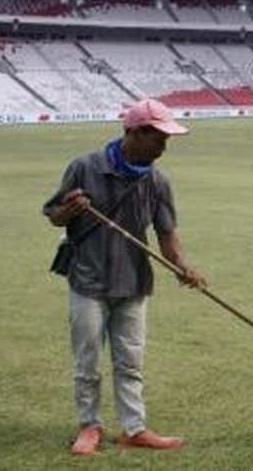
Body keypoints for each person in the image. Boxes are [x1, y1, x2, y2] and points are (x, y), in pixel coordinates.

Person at [42, 98, 207, 455]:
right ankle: (89, 427)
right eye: (159, 137)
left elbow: (166, 234)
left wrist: (183, 266)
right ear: (134, 132)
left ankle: (134, 428)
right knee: (87, 362)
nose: (164, 146)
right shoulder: (85, 167)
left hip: (134, 283)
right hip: (88, 281)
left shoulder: (158, 182)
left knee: (130, 362)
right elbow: (53, 214)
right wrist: (69, 209)